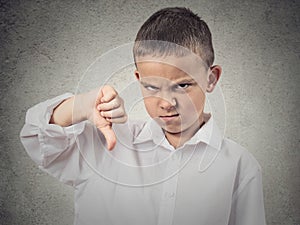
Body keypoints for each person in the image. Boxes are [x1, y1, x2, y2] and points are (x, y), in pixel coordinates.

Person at [20, 7, 266, 225]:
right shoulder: (105, 144)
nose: (167, 103)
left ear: (211, 79)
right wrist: (83, 105)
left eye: (183, 86)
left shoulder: (239, 166)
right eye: (152, 87)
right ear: (138, 80)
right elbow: (35, 136)